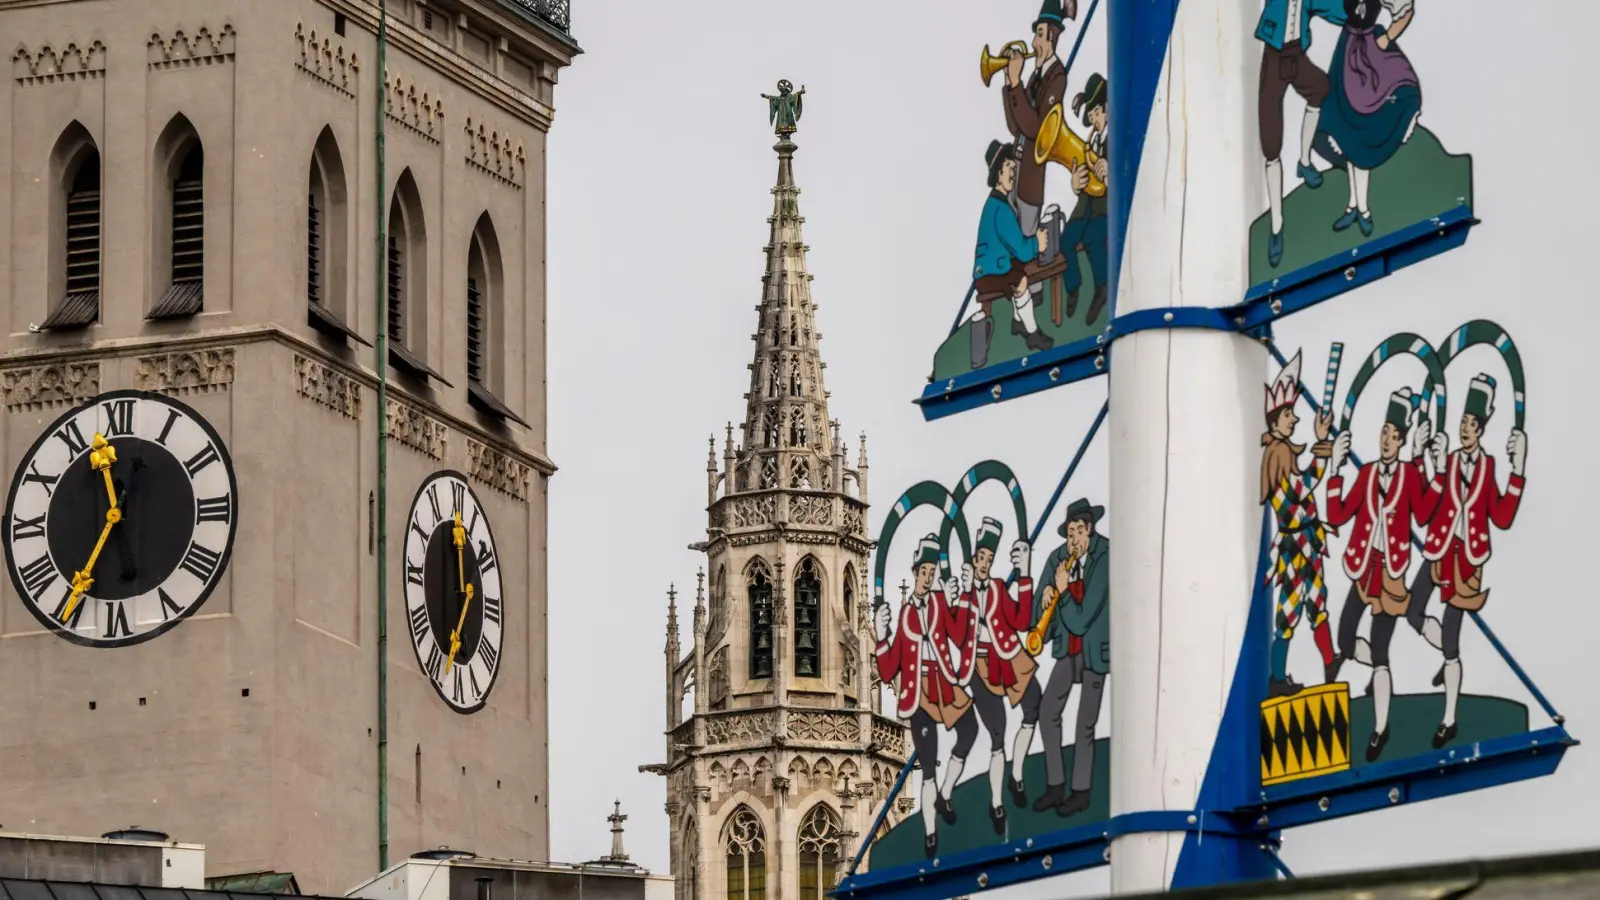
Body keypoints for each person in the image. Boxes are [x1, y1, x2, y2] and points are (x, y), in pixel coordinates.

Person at [1410, 374, 1527, 748]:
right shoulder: (1449, 460)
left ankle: (1449, 718)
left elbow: (1503, 515)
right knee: (1412, 611)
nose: (1465, 429)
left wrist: (1518, 469)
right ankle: (1447, 659)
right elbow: (1426, 510)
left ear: (1482, 428)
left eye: (1471, 424)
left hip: (1467, 562)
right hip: (1439, 551)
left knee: (1452, 641)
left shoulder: (1489, 467)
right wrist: (1430, 465)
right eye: (1462, 422)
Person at [1323, 388, 1438, 761]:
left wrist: (1428, 465)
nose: (1386, 440)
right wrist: (1336, 469)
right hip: (1363, 570)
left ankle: (1380, 729)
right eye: (1383, 432)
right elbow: (1338, 514)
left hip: (1389, 577)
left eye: (1393, 435)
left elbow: (1423, 514)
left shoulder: (1408, 473)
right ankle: (1374, 671)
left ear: (1403, 440)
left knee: (1383, 650)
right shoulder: (1369, 473)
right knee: (1344, 639)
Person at [873, 535, 978, 859]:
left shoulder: (938, 606)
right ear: (917, 572)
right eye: (924, 572)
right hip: (917, 697)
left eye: (932, 573)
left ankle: (946, 793)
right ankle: (930, 834)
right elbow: (889, 666)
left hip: (944, 689)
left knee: (971, 729)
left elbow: (962, 636)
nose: (928, 578)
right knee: (928, 766)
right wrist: (880, 635)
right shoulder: (904, 616)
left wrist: (963, 599)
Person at [956, 518, 1041, 833]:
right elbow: (952, 632)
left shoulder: (996, 589)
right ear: (973, 557)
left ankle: (1017, 774)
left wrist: (1025, 574)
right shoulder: (964, 593)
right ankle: (996, 803)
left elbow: (1021, 620)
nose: (985, 564)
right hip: (979, 667)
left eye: (990, 560)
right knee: (997, 734)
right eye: (981, 558)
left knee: (1035, 704)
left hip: (1007, 657)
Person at [1260, 351, 1338, 697]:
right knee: (1290, 613)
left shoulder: (1285, 453)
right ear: (1276, 420)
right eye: (1289, 414)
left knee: (1316, 603)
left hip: (1309, 542)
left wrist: (1321, 444)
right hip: (1294, 547)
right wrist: (1323, 448)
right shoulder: (1276, 455)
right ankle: (1277, 678)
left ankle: (1329, 659)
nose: (1294, 419)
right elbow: (1302, 487)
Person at [1030, 498, 1109, 818]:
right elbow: (1035, 619)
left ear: (1089, 529)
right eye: (1069, 533)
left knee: (1084, 723)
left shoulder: (1105, 557)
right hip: (1067, 649)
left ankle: (1080, 792)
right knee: (1048, 711)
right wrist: (1045, 597)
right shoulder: (1058, 558)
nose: (1073, 539)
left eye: (1078, 531)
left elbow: (1083, 618)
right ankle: (1054, 785)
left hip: (1094, 650)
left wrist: (1060, 594)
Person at [1255, 0, 1348, 267]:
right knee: (1271, 143)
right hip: (1274, 56)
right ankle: (1276, 226)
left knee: (1319, 88)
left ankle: (1304, 162)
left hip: (1296, 55)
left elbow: (1332, 8)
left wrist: (1359, 12)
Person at [1321, 0, 1420, 236]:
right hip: (1346, 53)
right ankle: (1354, 205)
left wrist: (1385, 39)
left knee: (1361, 129)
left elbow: (1406, 10)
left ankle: (1362, 209)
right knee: (1345, 128)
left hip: (1371, 56)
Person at [1001, 0, 1075, 311]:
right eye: (1036, 35)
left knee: (1028, 236)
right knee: (1015, 237)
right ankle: (1020, 302)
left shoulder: (1056, 76)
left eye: (1041, 35)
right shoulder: (1035, 76)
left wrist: (1017, 84)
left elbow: (1034, 128)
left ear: (1053, 37)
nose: (1034, 43)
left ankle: (1036, 300)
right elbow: (1014, 125)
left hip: (1032, 174)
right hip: (1017, 169)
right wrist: (1009, 85)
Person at [972, 140, 1054, 369]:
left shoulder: (997, 204)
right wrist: (1037, 243)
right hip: (990, 272)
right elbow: (1020, 248)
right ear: (998, 173)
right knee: (1019, 281)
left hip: (994, 265)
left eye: (1013, 168)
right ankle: (1032, 332)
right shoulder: (1000, 209)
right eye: (1009, 168)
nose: (1013, 173)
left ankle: (1019, 321)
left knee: (1022, 274)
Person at [1060, 73, 1110, 325]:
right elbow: (1085, 176)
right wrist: (1075, 184)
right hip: (1086, 206)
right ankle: (1073, 288)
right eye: (1090, 117)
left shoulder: (1118, 137)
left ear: (1107, 108)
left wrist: (1110, 176)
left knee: (1092, 236)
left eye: (1095, 114)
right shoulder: (1094, 141)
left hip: (1105, 207)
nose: (1092, 121)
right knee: (1065, 241)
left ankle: (1102, 287)